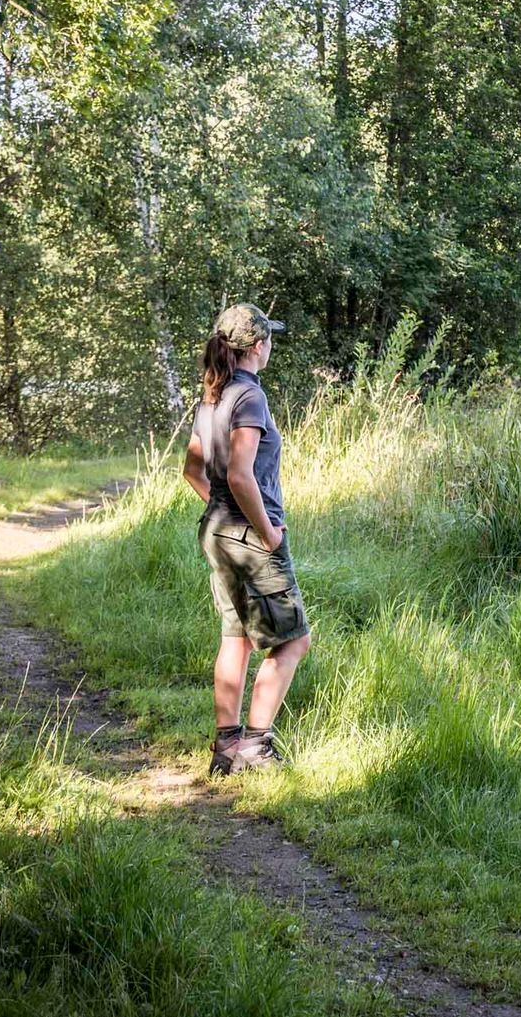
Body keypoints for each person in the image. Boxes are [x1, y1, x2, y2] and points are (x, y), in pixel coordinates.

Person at [182, 302, 312, 776]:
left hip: (216, 532)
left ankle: (225, 747)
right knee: (294, 641)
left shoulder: (213, 396)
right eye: (269, 338)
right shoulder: (249, 396)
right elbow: (240, 475)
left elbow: (193, 469)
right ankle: (256, 748)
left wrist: (219, 511)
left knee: (235, 638)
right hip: (249, 538)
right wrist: (267, 532)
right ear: (258, 346)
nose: (270, 344)